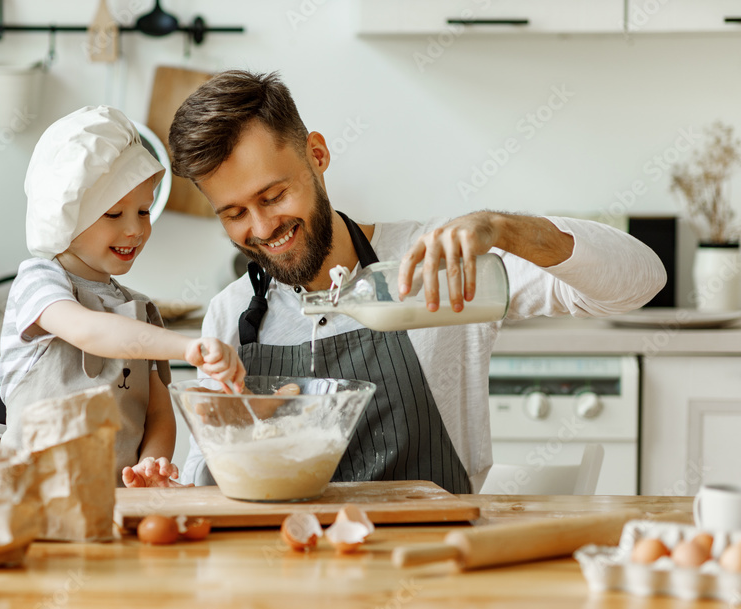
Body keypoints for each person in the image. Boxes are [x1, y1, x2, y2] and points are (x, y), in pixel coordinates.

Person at [167, 71, 666, 493]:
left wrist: (505, 229)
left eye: (273, 196)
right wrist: (174, 491)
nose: (260, 228)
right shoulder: (232, 312)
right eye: (233, 213)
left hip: (432, 568)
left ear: (316, 155)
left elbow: (640, 281)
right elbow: (206, 474)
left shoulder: (437, 264)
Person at [0, 105, 245, 488]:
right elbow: (89, 331)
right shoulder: (39, 282)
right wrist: (185, 347)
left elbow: (159, 416)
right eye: (114, 214)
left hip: (120, 508)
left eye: (144, 211)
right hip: (34, 503)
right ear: (66, 215)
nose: (135, 230)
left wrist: (152, 464)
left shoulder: (141, 310)